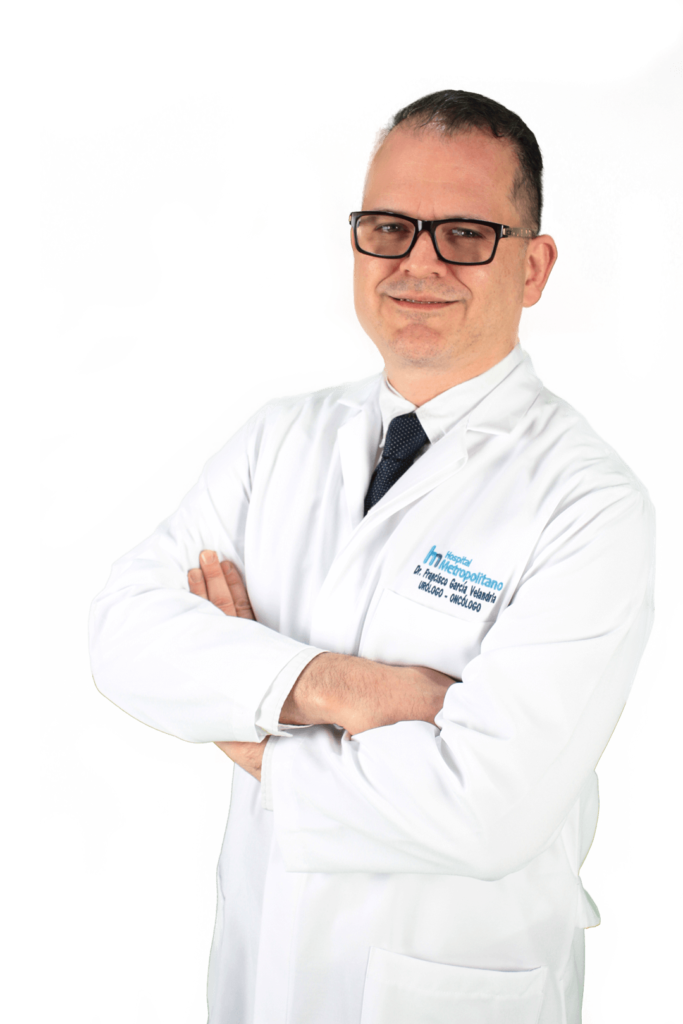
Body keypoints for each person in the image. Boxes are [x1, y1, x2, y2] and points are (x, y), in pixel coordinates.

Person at [88, 89, 657, 1024]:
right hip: (259, 979)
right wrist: (344, 689)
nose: (417, 263)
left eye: (465, 234)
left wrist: (246, 716)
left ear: (532, 264)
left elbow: (484, 811)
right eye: (389, 228)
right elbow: (122, 633)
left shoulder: (588, 502)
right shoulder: (279, 436)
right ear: (353, 246)